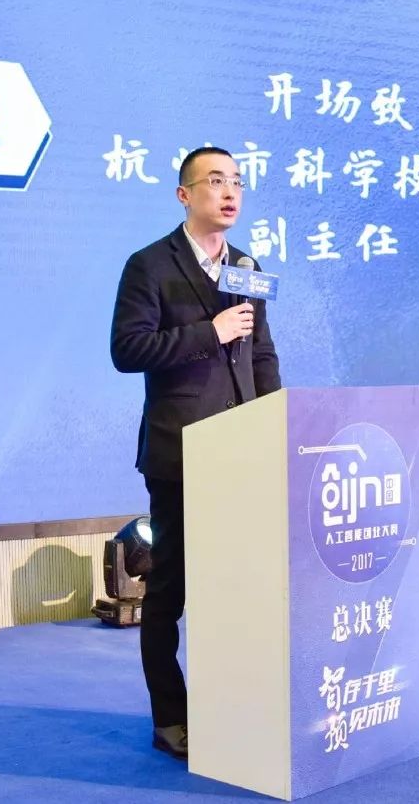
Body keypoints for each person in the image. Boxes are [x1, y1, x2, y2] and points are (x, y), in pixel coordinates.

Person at [110, 146, 281, 760]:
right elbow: (128, 349)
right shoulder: (150, 265)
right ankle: (171, 717)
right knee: (171, 593)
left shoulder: (247, 266)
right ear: (185, 195)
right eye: (215, 181)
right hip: (181, 456)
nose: (230, 192)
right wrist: (209, 333)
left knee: (236, 589)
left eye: (237, 181)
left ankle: (231, 706)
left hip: (242, 457)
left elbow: (261, 354)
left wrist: (276, 424)